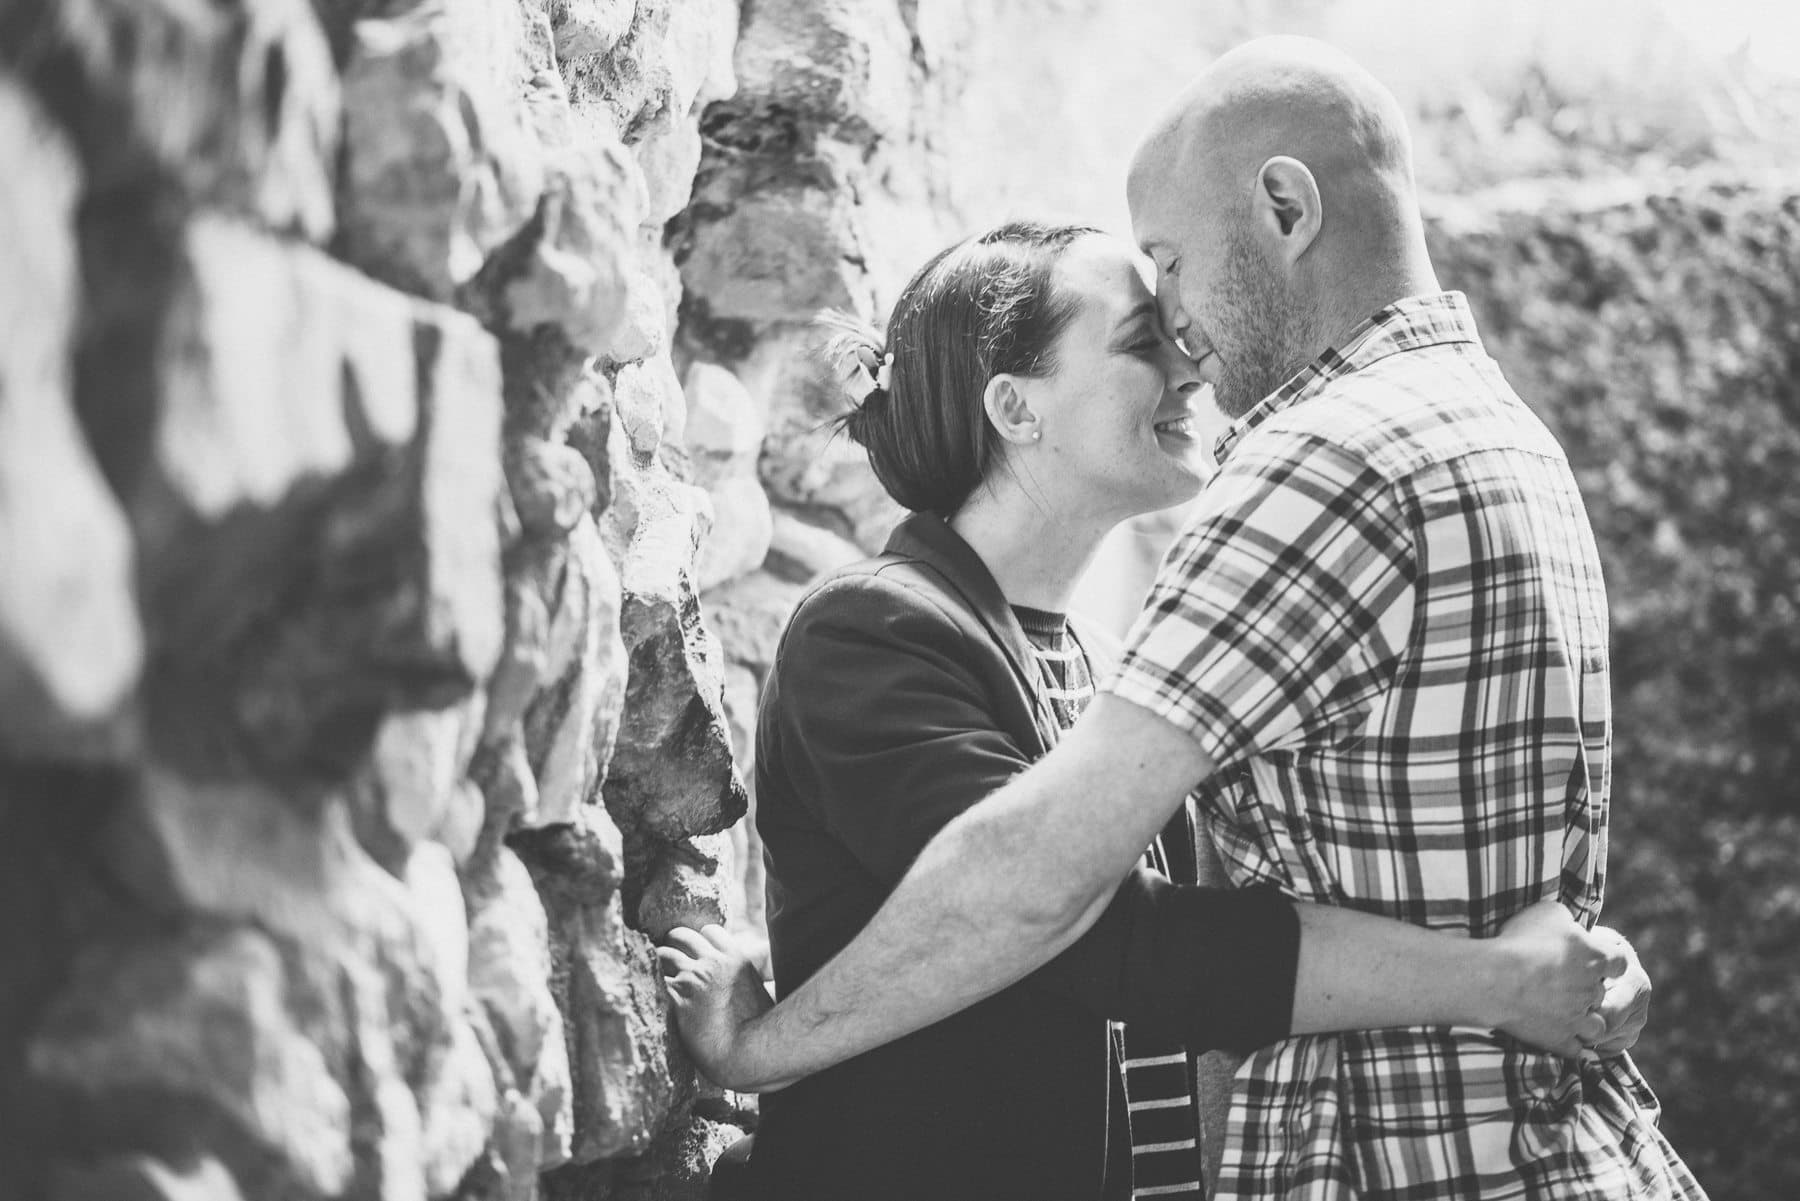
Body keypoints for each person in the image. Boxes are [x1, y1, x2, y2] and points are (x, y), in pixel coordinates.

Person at [663, 218, 1652, 1201]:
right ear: (1016, 406)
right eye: (1143, 343)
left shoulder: (1101, 664)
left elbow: (1230, 920)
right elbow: (1102, 938)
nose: (1191, 372)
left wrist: (1571, 966)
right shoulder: (872, 629)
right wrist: (1494, 979)